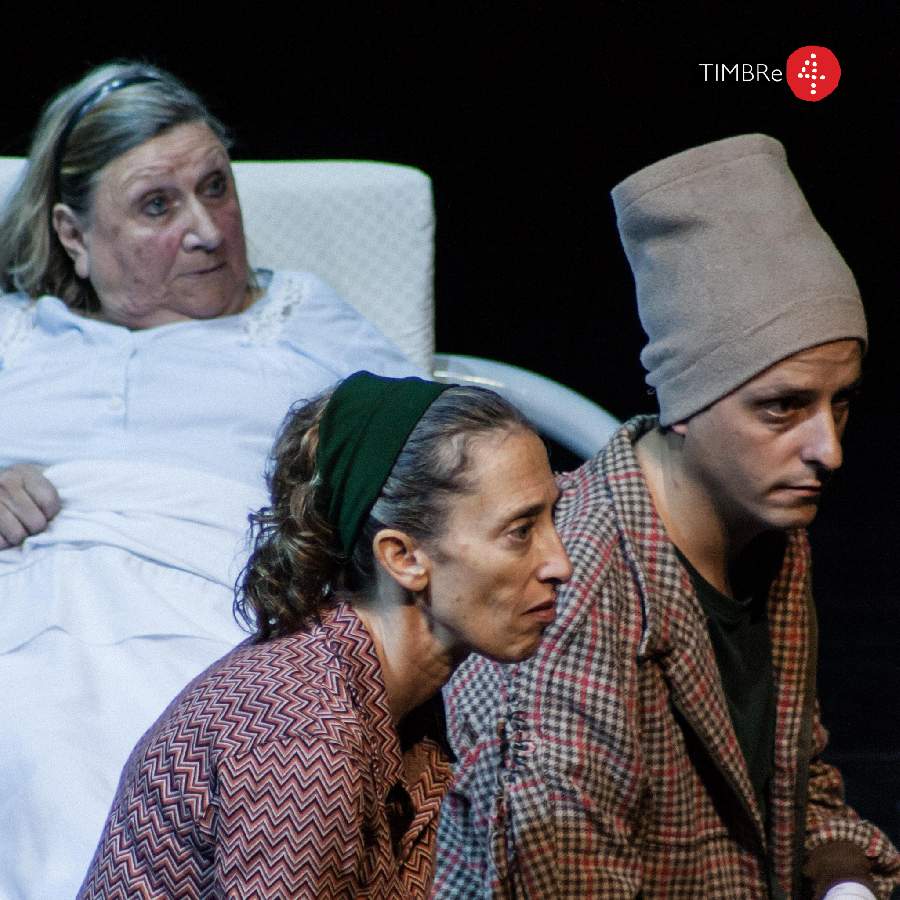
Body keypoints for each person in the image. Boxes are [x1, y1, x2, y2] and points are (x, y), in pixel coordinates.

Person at [433, 135, 900, 898]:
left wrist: (845, 882)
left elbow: (791, 784)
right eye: (783, 407)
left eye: (839, 402)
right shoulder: (570, 594)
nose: (829, 450)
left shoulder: (768, 528)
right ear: (685, 403)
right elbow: (567, 882)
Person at [0, 61, 417, 898]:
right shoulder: (16, 338)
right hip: (23, 619)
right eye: (158, 205)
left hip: (223, 618)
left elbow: (443, 451)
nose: (208, 231)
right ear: (73, 235)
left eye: (215, 188)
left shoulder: (298, 319)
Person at [76, 371, 572, 898]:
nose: (560, 563)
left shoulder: (392, 704)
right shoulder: (305, 737)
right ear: (403, 557)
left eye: (552, 519)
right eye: (521, 531)